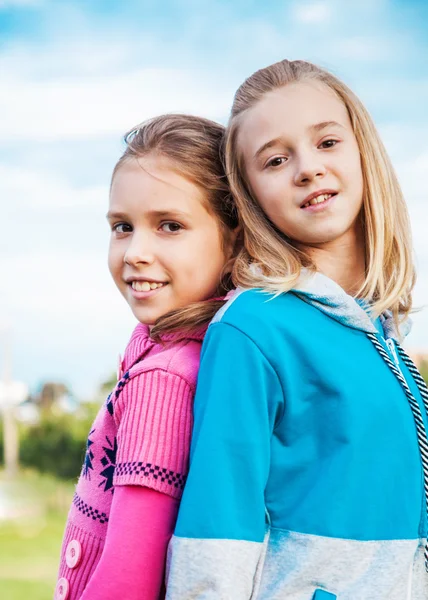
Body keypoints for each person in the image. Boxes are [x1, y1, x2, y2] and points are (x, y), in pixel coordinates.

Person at [166, 60, 428, 599]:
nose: (307, 169)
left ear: (363, 152)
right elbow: (216, 531)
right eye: (276, 159)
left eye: (327, 142)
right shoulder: (253, 326)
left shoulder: (384, 338)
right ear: (250, 195)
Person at [53, 114, 239, 600]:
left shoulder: (164, 377)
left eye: (170, 226)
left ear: (236, 237)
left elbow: (130, 576)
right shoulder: (199, 350)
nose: (135, 251)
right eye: (122, 226)